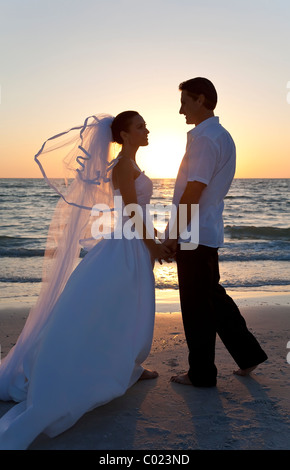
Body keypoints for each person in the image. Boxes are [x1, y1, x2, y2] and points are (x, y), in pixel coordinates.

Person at [0, 111, 171, 450]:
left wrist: (154, 243)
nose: (146, 129)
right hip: (125, 246)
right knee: (112, 309)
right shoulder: (122, 166)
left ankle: (131, 366)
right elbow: (132, 214)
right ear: (124, 133)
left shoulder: (131, 165)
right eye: (140, 126)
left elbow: (139, 213)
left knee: (128, 308)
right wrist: (156, 246)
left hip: (132, 244)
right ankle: (94, 371)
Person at [164, 77, 268, 387]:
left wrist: (172, 235)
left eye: (184, 101)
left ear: (200, 99)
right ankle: (248, 355)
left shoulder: (207, 140)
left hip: (195, 233)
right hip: (205, 230)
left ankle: (202, 374)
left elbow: (193, 192)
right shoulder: (218, 136)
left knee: (197, 307)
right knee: (212, 298)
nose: (180, 109)